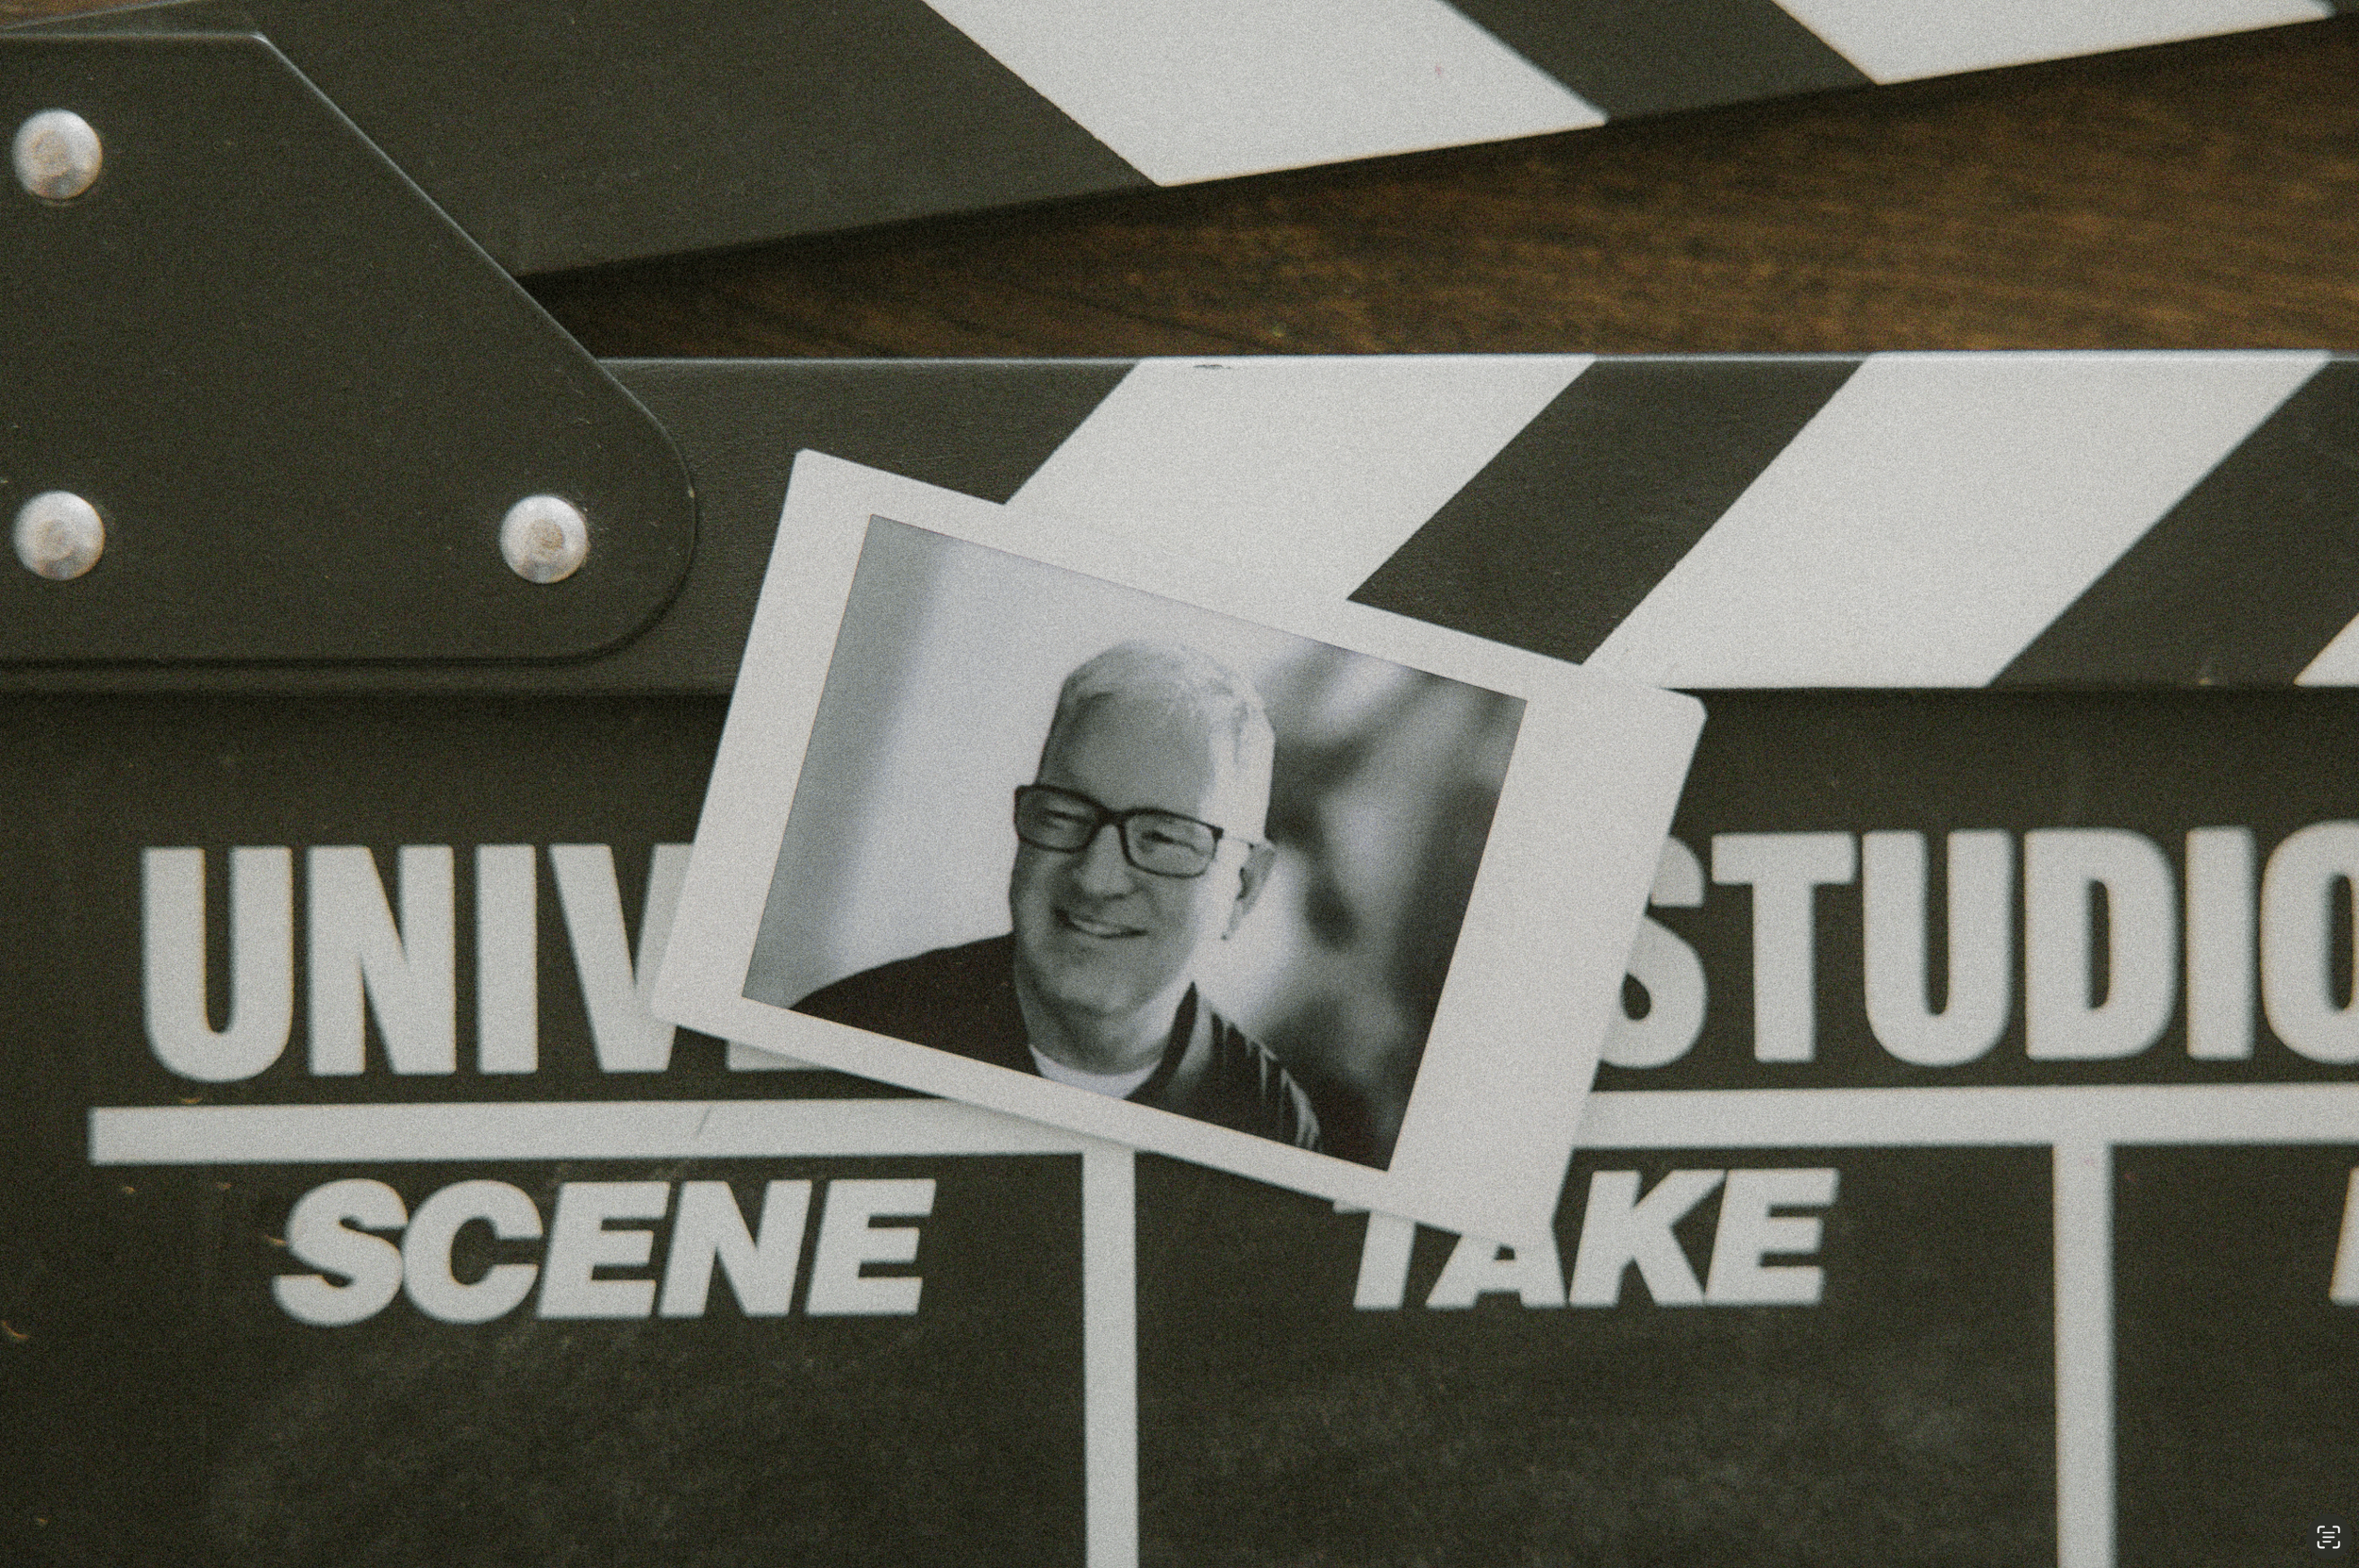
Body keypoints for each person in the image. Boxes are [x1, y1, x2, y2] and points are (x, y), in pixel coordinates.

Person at [795, 640, 1323, 1151]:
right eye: (1064, 815)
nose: (1095, 879)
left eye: (1162, 837)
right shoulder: (846, 1033)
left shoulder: (1272, 1125)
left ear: (1243, 888)